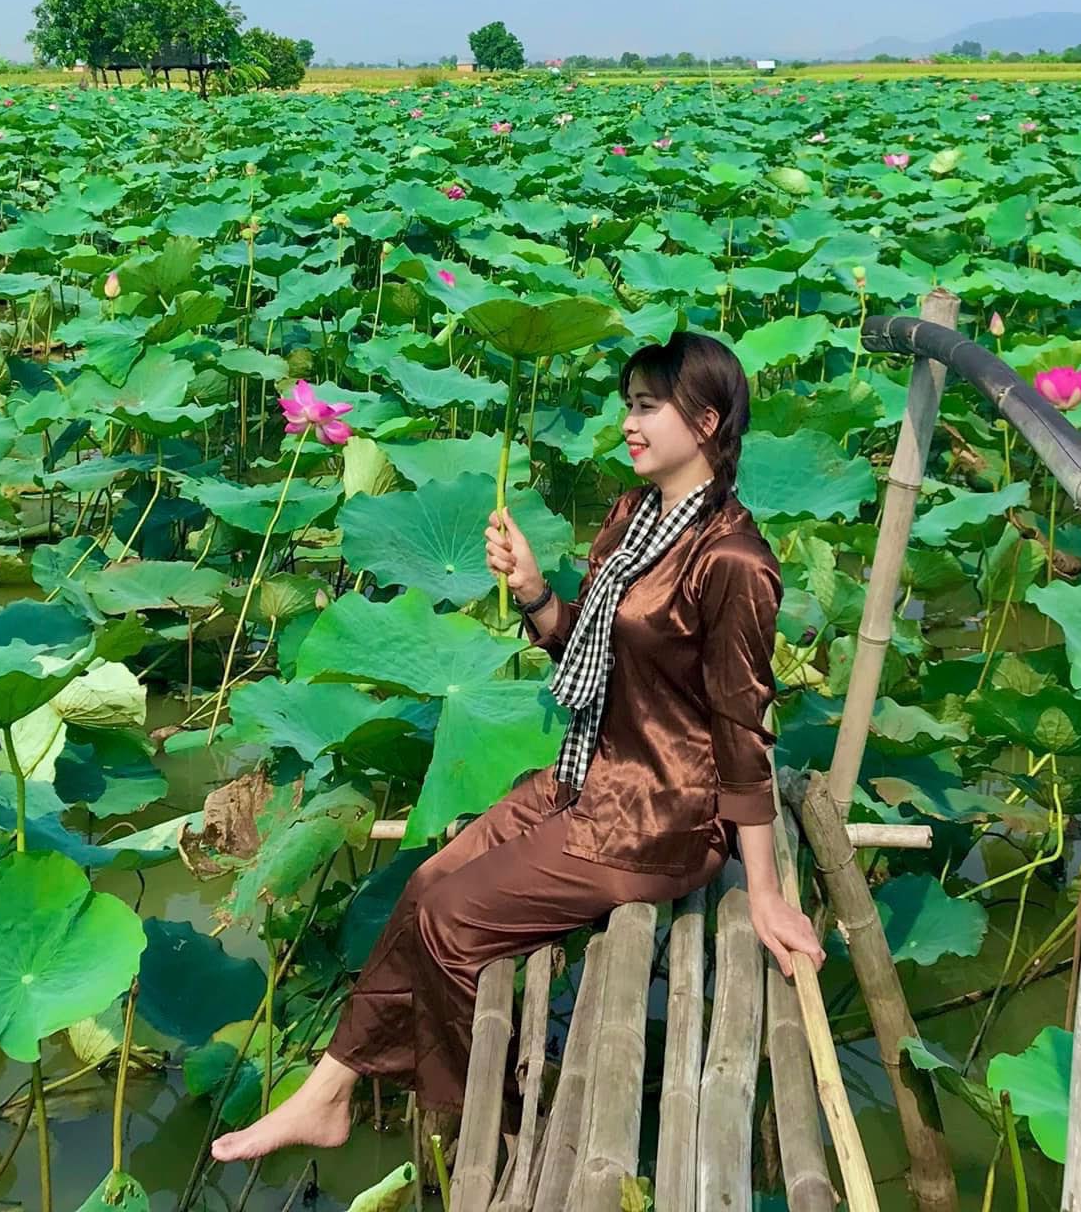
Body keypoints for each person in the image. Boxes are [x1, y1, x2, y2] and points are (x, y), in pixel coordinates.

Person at [209, 331, 824, 1163]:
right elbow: (598, 658)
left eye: (649, 406)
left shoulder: (734, 560)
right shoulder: (635, 517)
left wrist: (764, 891)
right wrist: (536, 593)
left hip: (656, 818)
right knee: (425, 882)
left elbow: (741, 725)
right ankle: (327, 1095)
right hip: (583, 776)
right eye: (629, 403)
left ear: (707, 421)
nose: (630, 421)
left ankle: (496, 1135)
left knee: (453, 923)